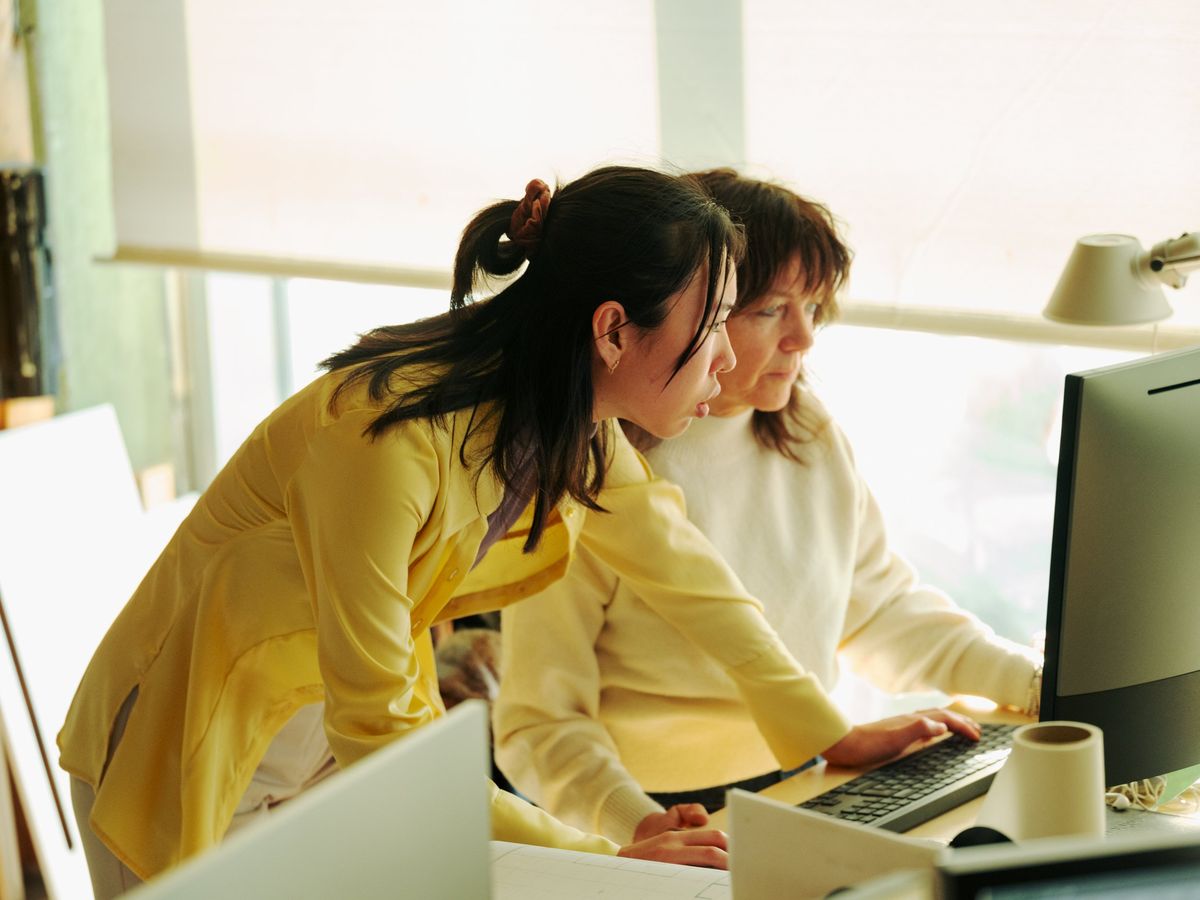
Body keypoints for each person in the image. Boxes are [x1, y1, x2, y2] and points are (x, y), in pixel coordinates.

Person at [58, 165, 877, 896]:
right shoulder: (381, 443)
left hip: (324, 756)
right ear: (615, 329)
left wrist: (831, 736)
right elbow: (384, 730)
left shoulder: (567, 424)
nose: (730, 364)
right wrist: (598, 852)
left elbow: (686, 574)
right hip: (188, 749)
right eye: (716, 329)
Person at [493, 169, 1043, 844]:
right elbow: (540, 721)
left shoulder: (806, 431)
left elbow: (876, 608)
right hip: (651, 812)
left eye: (813, 307)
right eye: (769, 310)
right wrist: (635, 826)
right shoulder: (584, 469)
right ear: (700, 310)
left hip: (805, 776)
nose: (804, 338)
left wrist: (1035, 682)